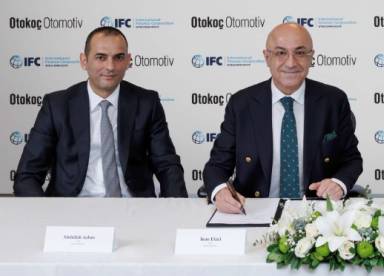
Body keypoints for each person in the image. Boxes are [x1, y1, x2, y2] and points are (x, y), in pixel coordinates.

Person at [203, 23, 363, 213]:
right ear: (267, 57)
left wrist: (338, 183)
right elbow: (217, 166)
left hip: (315, 212)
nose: (291, 63)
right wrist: (220, 191)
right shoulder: (242, 104)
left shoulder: (334, 101)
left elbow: (352, 159)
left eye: (300, 52)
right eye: (280, 53)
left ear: (311, 56)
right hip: (253, 210)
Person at [14, 27, 187, 197]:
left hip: (133, 207)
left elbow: (167, 165)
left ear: (128, 61)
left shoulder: (147, 102)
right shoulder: (57, 106)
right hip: (71, 207)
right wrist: (47, 212)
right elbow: (27, 175)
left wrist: (177, 209)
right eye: (101, 57)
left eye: (118, 57)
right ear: (84, 61)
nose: (110, 66)